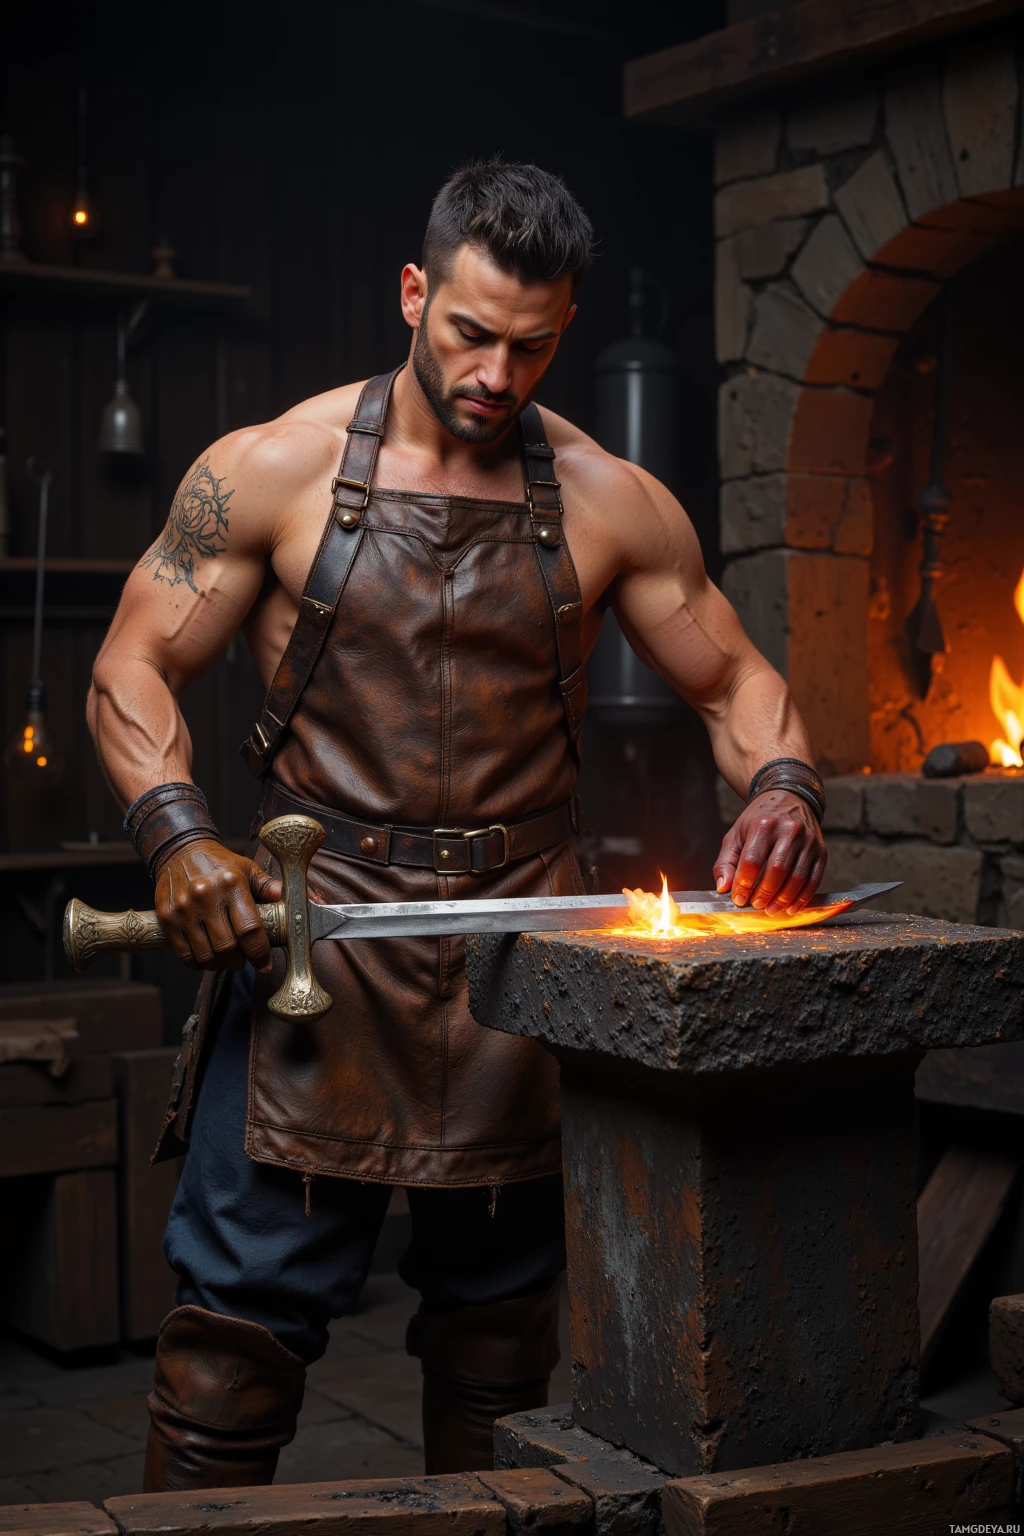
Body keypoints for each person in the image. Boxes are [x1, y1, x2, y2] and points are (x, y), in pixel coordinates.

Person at [88, 160, 828, 1493]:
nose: (496, 371)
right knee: (226, 1362)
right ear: (415, 294)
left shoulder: (609, 501)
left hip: (514, 977)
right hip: (313, 959)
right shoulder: (274, 469)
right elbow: (129, 667)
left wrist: (783, 786)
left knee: (501, 1359)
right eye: (470, 333)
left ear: (567, 325)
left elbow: (737, 685)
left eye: (531, 345)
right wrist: (178, 832)